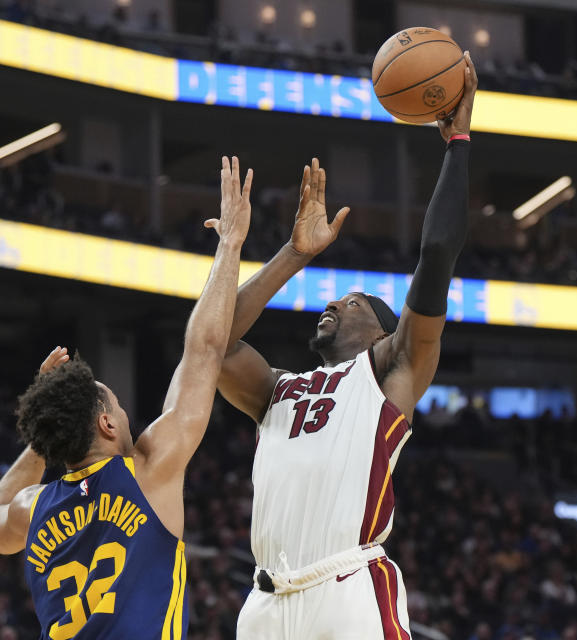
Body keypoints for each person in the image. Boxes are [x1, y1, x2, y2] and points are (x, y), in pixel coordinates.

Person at [220, 54, 478, 639]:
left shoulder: (390, 371)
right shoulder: (277, 390)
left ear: (384, 332)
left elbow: (436, 255)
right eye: (332, 300)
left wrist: (458, 141)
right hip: (264, 603)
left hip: (346, 590)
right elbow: (212, 342)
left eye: (352, 303)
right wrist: (293, 255)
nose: (331, 305)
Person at [0, 157, 254, 639]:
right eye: (118, 406)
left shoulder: (33, 506)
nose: (126, 414)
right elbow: (204, 349)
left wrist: (44, 434)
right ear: (107, 425)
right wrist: (230, 243)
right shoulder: (149, 471)